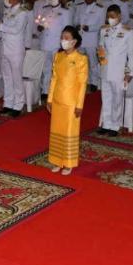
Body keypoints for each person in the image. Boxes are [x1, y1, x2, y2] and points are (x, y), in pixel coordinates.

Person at [47, 26, 88, 175]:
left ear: (74, 41)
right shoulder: (58, 56)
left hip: (71, 103)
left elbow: (82, 84)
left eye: (67, 38)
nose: (63, 40)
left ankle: (69, 163)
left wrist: (79, 105)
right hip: (58, 100)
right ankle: (57, 161)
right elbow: (54, 78)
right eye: (62, 37)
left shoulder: (81, 59)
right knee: (57, 131)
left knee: (69, 132)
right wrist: (50, 99)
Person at [97, 4, 133, 136]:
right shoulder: (104, 30)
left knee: (117, 99)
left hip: (119, 70)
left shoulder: (128, 32)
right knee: (106, 97)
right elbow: (101, 46)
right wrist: (100, 55)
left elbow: (131, 54)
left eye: (113, 16)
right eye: (108, 16)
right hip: (105, 69)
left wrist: (130, 72)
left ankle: (115, 125)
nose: (110, 19)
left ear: (119, 16)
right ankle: (107, 123)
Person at [0, 0, 27, 117]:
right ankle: (8, 103)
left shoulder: (22, 12)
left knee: (16, 78)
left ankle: (18, 105)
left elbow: (16, 29)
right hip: (5, 48)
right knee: (6, 77)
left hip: (16, 50)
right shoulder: (7, 11)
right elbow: (5, 31)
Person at [37, 0, 73, 96]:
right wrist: (40, 27)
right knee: (46, 69)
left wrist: (64, 46)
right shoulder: (45, 11)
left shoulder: (65, 12)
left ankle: (57, 91)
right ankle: (45, 90)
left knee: (57, 69)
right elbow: (42, 24)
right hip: (45, 43)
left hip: (57, 45)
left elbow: (67, 30)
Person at [74, 0, 105, 90]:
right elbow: (75, 20)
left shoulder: (100, 8)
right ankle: (82, 81)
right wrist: (77, 25)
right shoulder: (79, 6)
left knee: (93, 63)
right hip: (80, 39)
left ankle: (94, 83)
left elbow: (101, 25)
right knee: (80, 62)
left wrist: (90, 28)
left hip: (91, 39)